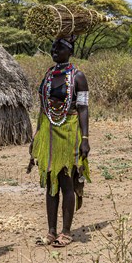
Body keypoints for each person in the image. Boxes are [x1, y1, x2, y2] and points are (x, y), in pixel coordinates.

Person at [28, 36, 90, 247]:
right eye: (53, 46)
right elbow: (42, 108)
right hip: (48, 132)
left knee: (66, 182)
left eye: (60, 47)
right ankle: (51, 231)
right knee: (50, 182)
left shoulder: (78, 77)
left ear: (70, 50)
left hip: (69, 130)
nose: (54, 50)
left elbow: (83, 108)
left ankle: (66, 231)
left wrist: (85, 138)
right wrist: (37, 136)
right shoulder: (48, 75)